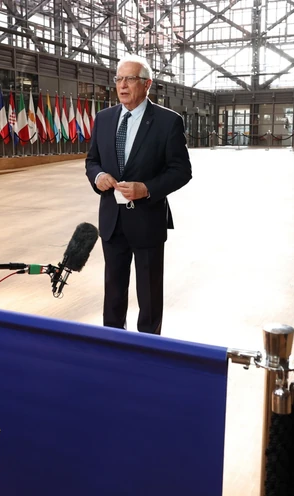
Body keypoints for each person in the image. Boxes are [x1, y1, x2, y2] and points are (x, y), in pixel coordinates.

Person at [85, 54, 192, 335]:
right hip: (112, 221)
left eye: (130, 79)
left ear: (147, 84)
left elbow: (181, 171)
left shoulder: (168, 122)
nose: (122, 85)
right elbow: (92, 161)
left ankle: (149, 348)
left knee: (149, 294)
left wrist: (147, 189)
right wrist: (98, 176)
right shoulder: (103, 119)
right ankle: (113, 343)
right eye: (119, 79)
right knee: (113, 290)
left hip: (147, 221)